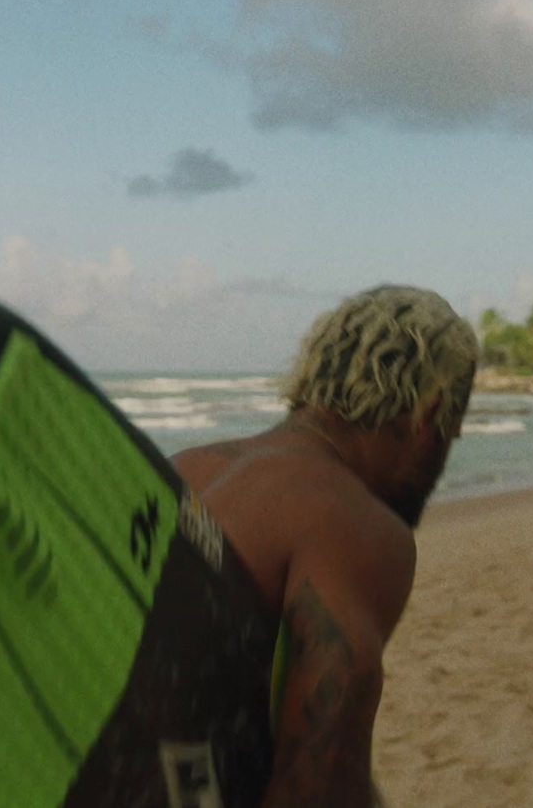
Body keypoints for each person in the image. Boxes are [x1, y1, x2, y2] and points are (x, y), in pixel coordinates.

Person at [169, 285, 478, 807]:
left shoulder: (183, 468)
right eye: (454, 431)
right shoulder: (354, 525)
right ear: (432, 414)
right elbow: (314, 787)